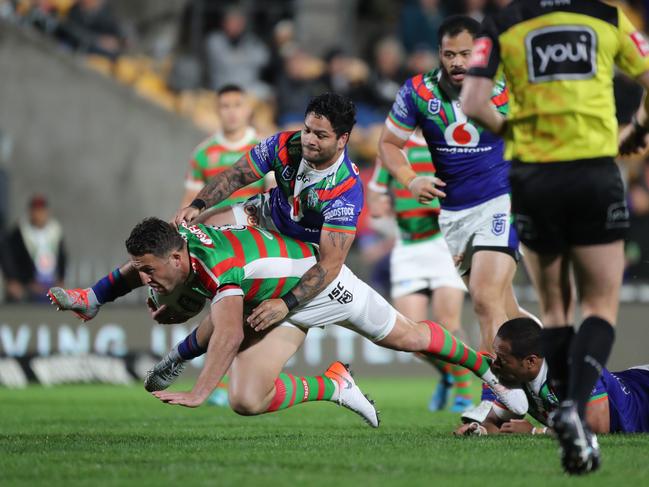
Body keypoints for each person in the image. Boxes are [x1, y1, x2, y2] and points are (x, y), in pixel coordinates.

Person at [461, 0, 649, 475]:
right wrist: (637, 129)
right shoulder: (607, 17)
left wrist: (514, 134)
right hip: (593, 170)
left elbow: (473, 103)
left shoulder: (503, 22)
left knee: (557, 308)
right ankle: (573, 405)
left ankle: (568, 405)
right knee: (601, 304)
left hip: (533, 176)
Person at [127, 217, 528, 419]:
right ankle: (334, 384)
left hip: (321, 285)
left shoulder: (334, 184)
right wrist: (90, 296)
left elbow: (227, 333)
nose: (310, 142)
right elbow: (132, 271)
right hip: (273, 302)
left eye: (319, 135)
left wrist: (198, 390)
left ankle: (485, 370)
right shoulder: (189, 242)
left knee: (409, 338)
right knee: (245, 400)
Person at [50, 93, 363, 338]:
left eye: (319, 135)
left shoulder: (346, 188)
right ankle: (95, 297)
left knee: (236, 295)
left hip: (299, 248)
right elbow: (236, 175)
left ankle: (189, 310)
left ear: (342, 139)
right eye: (307, 129)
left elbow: (332, 262)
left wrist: (286, 303)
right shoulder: (284, 144)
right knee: (183, 236)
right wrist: (197, 205)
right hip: (264, 215)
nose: (308, 138)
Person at [377, 15, 533, 420]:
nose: (458, 62)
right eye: (450, 54)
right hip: (454, 215)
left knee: (483, 297)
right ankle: (557, 366)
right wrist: (410, 180)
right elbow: (389, 144)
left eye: (466, 53)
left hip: (502, 199)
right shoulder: (417, 91)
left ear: (481, 52)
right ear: (439, 53)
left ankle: (496, 398)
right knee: (505, 309)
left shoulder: (506, 86)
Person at [368, 130, 472, 412]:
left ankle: (464, 391)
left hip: (443, 244)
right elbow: (375, 191)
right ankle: (449, 375)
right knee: (411, 340)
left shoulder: (451, 139)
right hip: (408, 248)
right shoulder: (391, 147)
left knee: (447, 323)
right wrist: (379, 205)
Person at [455, 318, 649, 436]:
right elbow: (495, 423)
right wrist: (478, 430)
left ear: (531, 361)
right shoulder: (515, 378)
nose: (494, 364)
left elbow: (597, 427)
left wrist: (535, 432)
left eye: (502, 359)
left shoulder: (571, 366)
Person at [180, 84, 268, 210]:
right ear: (217, 111)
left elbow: (273, 190)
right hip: (213, 227)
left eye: (237, 105)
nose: (232, 112)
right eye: (225, 106)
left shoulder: (263, 146)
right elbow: (189, 202)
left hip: (253, 225)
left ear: (248, 109)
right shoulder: (202, 153)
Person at [1, 195, 66, 303]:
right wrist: (14, 280)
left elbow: (62, 257)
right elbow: (9, 258)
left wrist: (61, 278)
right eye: (36, 210)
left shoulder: (55, 230)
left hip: (51, 283)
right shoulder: (20, 232)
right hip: (29, 285)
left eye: (41, 211)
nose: (39, 215)